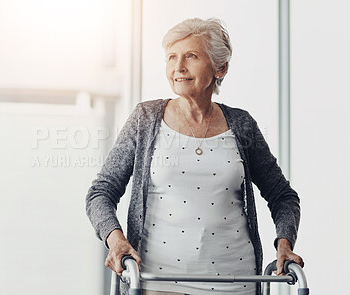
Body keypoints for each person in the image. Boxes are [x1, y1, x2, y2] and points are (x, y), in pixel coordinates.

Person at [86, 18, 304, 295]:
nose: (178, 68)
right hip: (156, 281)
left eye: (191, 56)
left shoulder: (242, 124)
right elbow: (100, 193)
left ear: (220, 68)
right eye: (172, 57)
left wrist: (284, 243)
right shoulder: (145, 119)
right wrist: (115, 240)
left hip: (235, 282)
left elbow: (282, 195)